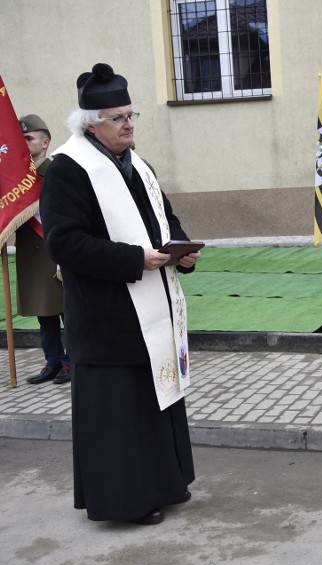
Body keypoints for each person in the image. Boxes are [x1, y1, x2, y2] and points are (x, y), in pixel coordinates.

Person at [40, 63, 199, 525]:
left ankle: (165, 485)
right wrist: (135, 260)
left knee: (155, 405)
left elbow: (165, 221)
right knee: (120, 420)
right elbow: (64, 243)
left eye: (131, 115)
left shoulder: (138, 164)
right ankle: (126, 502)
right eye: (118, 117)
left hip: (152, 311)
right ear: (92, 124)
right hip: (107, 319)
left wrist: (182, 250)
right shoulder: (69, 170)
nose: (129, 124)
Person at [16, 115, 71, 384]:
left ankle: (72, 362)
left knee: (64, 311)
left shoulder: (55, 172)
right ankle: (53, 361)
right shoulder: (15, 180)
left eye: (28, 138)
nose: (23, 143)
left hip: (55, 252)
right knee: (44, 313)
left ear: (45, 142)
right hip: (32, 255)